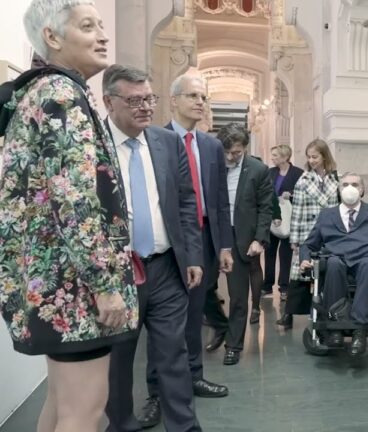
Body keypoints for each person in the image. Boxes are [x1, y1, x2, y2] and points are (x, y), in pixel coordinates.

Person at [0, 3, 137, 431]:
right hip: (74, 288)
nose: (103, 36)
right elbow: (74, 200)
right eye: (88, 26)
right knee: (84, 412)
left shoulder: (36, 92)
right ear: (52, 37)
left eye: (101, 25)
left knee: (61, 405)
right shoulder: (62, 94)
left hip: (50, 281)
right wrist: (104, 284)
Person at [101, 64, 204, 432]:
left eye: (149, 99)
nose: (145, 107)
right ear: (109, 102)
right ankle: (121, 425)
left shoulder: (166, 142)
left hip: (165, 267)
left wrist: (192, 256)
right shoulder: (93, 145)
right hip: (117, 273)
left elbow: (187, 201)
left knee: (173, 353)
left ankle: (184, 427)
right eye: (134, 100)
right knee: (118, 359)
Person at [299, 173, 368, 355]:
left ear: (362, 190)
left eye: (355, 184)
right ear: (339, 189)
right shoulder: (327, 215)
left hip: (365, 259)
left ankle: (360, 331)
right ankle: (335, 327)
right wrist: (305, 259)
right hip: (336, 260)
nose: (350, 188)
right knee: (333, 263)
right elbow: (308, 244)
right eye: (345, 184)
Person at [201, 122, 273, 365]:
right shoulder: (211, 165)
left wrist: (259, 239)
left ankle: (233, 345)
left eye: (237, 152)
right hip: (212, 234)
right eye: (227, 152)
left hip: (241, 236)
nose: (231, 157)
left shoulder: (258, 170)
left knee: (238, 296)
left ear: (245, 148)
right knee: (202, 287)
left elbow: (266, 207)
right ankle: (221, 325)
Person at [277, 139, 340, 329]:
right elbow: (296, 212)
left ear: (324, 156)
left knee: (327, 274)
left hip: (330, 234)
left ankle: (326, 313)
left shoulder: (336, 179)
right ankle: (288, 315)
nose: (311, 160)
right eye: (309, 157)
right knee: (300, 276)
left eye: (315, 157)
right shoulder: (303, 181)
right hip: (308, 232)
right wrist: (295, 240)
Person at [262, 144, 304, 307]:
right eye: (272, 155)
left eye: (275, 155)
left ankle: (284, 287)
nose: (272, 158)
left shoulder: (298, 173)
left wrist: (291, 195)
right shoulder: (270, 172)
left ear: (285, 157)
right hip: (272, 218)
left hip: (290, 218)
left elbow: (303, 194)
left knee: (285, 255)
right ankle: (267, 285)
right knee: (269, 252)